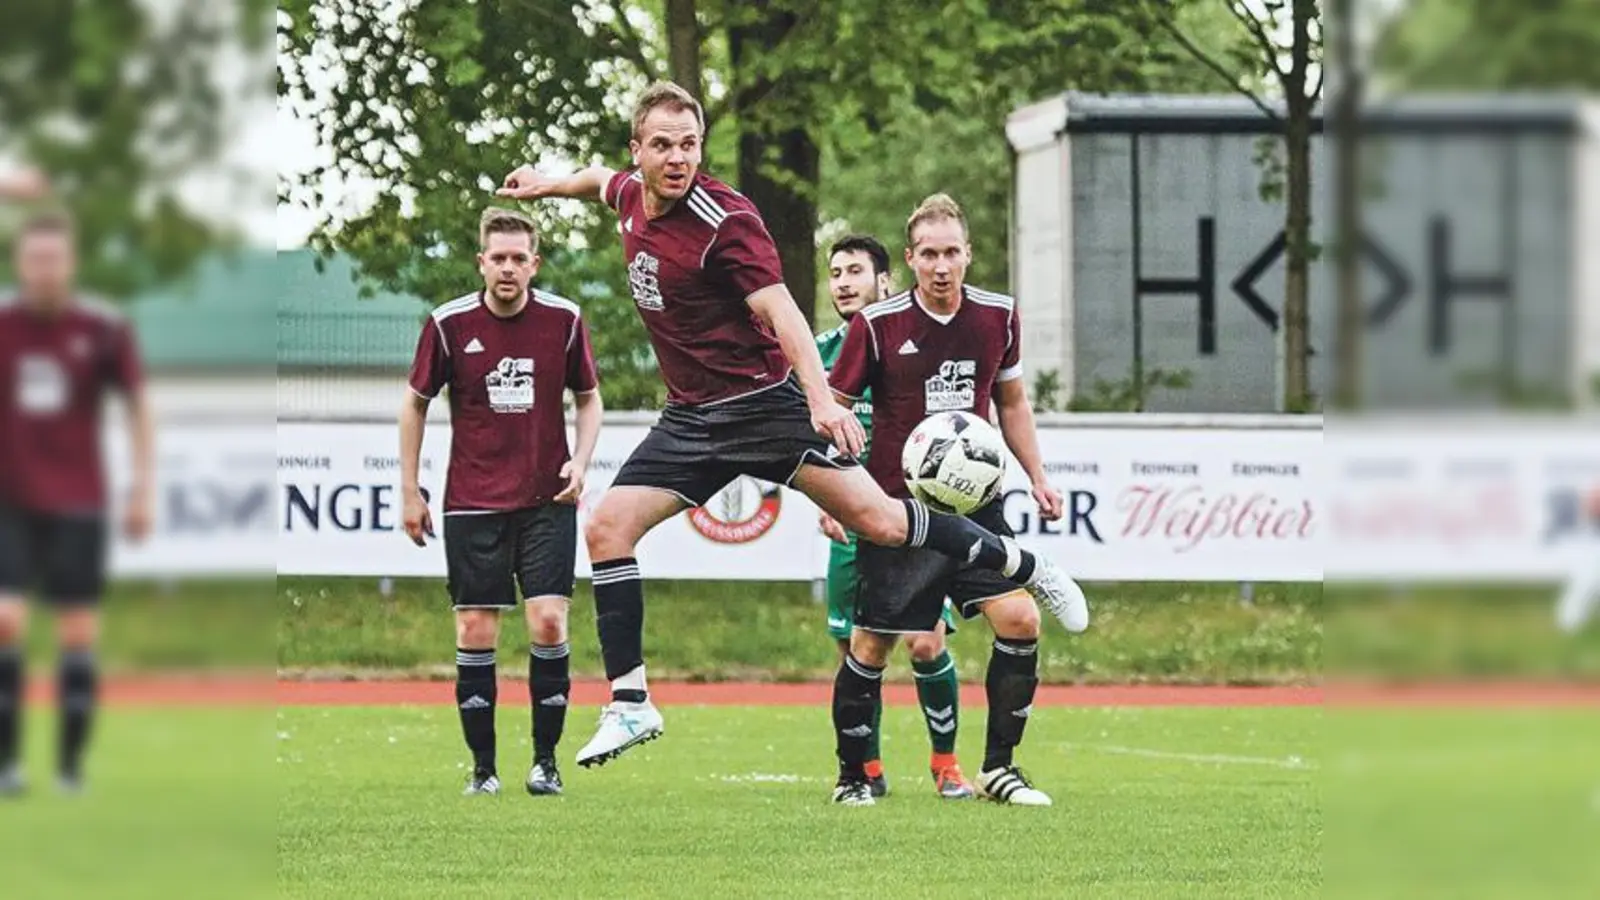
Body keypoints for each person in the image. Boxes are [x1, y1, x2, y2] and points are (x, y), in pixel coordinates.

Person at [496, 81, 1086, 771]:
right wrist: (548, 184)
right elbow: (601, 179)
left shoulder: (727, 222)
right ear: (640, 150)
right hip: (690, 418)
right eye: (663, 145)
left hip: (760, 407)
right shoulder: (631, 195)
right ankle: (631, 702)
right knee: (606, 529)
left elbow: (784, 315)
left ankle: (1027, 564)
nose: (678, 158)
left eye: (690, 144)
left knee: (886, 522)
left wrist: (822, 400)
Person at [824, 194, 1078, 807]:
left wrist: (1038, 476)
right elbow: (831, 410)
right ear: (910, 258)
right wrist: (832, 496)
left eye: (953, 253)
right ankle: (853, 777)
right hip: (897, 512)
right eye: (929, 254)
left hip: (974, 507)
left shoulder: (999, 316)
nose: (942, 265)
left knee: (1019, 620)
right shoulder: (877, 325)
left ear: (970, 254)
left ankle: (999, 769)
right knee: (871, 645)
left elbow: (1011, 402)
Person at [399, 207, 603, 797]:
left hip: (547, 498)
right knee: (475, 631)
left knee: (548, 620)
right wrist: (409, 488)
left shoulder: (563, 320)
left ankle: (546, 762)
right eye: (499, 258)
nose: (508, 268)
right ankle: (483, 770)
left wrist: (582, 461)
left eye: (519, 258)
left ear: (534, 264)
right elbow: (413, 403)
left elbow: (589, 399)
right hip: (473, 500)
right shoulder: (447, 325)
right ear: (481, 262)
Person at [0, 210, 155, 795]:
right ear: (21, 263)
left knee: (77, 634)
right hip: (9, 501)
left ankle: (68, 769)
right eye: (34, 259)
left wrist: (142, 485)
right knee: (5, 619)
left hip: (78, 501)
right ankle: (9, 765)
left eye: (54, 259)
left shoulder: (102, 328)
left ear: (69, 264)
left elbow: (138, 406)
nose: (43, 270)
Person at [817, 234, 972, 800]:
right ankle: (866, 772)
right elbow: (803, 432)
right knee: (857, 650)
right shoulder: (818, 352)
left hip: (913, 518)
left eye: (855, 270)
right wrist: (825, 501)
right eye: (835, 273)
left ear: (884, 280)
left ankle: (946, 765)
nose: (843, 282)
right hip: (848, 520)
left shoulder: (903, 333)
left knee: (927, 642)